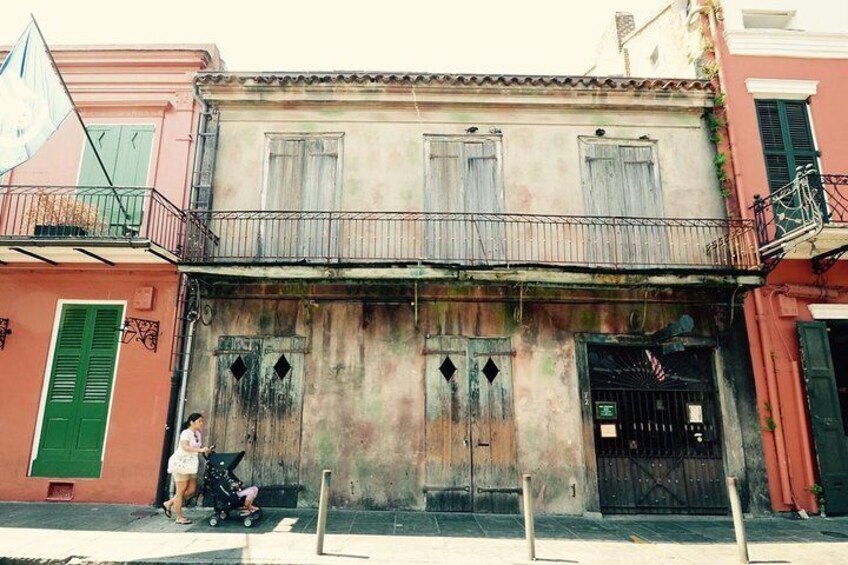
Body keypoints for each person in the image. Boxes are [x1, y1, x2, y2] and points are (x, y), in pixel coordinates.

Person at [162, 413, 211, 525]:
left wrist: (205, 449)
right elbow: (185, 447)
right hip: (181, 463)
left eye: (202, 421)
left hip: (191, 464)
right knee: (181, 491)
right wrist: (201, 450)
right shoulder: (185, 433)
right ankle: (179, 517)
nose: (201, 423)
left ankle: (169, 503)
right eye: (199, 421)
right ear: (191, 422)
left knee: (192, 489)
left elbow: (196, 448)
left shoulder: (197, 433)